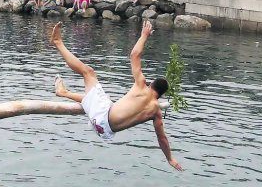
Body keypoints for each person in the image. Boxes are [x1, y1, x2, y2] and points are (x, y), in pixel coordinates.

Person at [50, 21, 182, 171]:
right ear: (159, 96)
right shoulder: (156, 112)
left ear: (151, 84)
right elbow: (162, 138)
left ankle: (57, 42)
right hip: (103, 131)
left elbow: (134, 55)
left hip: (101, 115)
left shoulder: (142, 86)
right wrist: (170, 159)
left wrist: (144, 36)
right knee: (101, 99)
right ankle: (63, 92)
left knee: (88, 72)